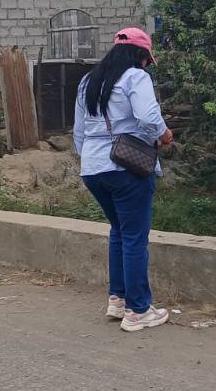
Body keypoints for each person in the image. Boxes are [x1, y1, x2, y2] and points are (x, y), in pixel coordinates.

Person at [73, 27, 174, 331]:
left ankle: (117, 300)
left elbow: (78, 131)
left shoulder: (88, 81)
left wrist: (91, 157)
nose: (146, 65)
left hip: (93, 168)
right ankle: (138, 310)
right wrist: (164, 135)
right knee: (134, 237)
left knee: (119, 231)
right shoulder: (135, 77)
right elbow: (147, 117)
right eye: (147, 60)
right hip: (127, 167)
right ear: (140, 55)